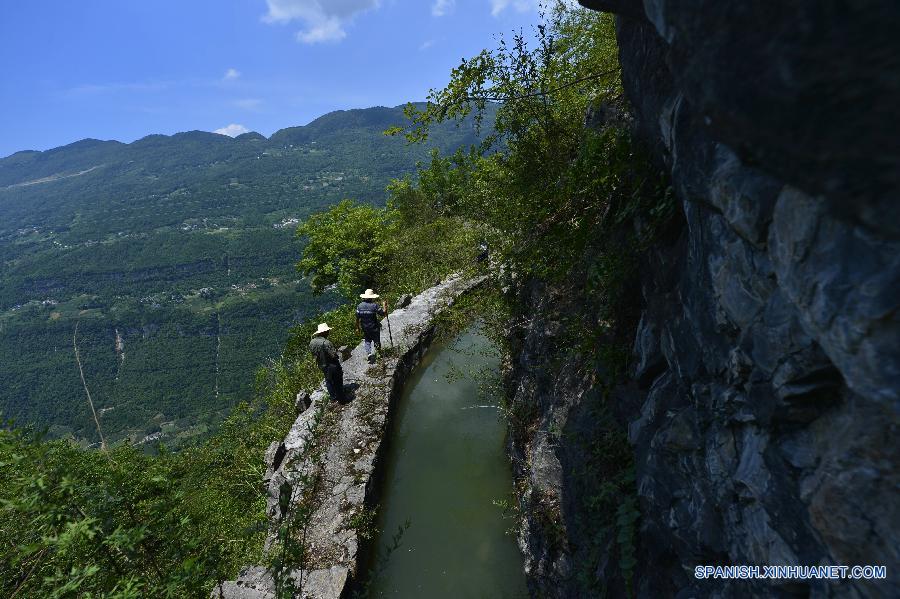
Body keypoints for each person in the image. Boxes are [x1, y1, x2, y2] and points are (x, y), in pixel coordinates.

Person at [309, 322, 346, 403]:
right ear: (324, 332)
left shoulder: (312, 342)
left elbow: (313, 354)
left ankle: (333, 397)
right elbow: (333, 355)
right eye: (327, 331)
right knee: (337, 381)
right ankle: (342, 399)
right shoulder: (326, 342)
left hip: (321, 365)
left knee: (328, 380)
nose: (329, 332)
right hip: (331, 365)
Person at [356, 288, 387, 363]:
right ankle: (379, 354)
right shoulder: (374, 305)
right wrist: (384, 306)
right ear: (371, 298)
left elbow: (357, 318)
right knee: (376, 340)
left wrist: (357, 327)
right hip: (374, 327)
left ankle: (369, 354)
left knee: (367, 340)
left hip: (365, 327)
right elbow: (383, 313)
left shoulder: (359, 306)